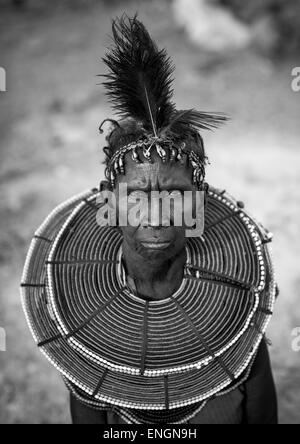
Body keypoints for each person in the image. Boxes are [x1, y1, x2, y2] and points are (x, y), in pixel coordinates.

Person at [21, 15, 278, 424]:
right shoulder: (82, 330)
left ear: (197, 206)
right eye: (138, 196)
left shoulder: (236, 316)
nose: (157, 216)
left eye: (175, 196)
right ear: (109, 205)